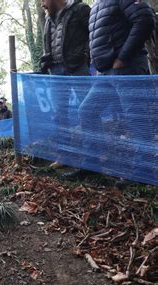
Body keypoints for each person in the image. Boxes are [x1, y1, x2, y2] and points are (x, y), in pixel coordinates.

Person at [64, 0, 155, 184]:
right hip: (105, 73)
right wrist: (98, 65)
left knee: (136, 119)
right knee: (87, 111)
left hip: (127, 68)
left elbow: (145, 19)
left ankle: (142, 172)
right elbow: (98, 38)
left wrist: (123, 58)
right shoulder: (97, 5)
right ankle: (92, 165)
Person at [40, 0, 91, 168]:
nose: (42, 4)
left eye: (43, 0)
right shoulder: (48, 20)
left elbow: (94, 34)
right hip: (56, 71)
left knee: (88, 111)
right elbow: (48, 45)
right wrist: (45, 60)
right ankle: (64, 155)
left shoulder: (81, 9)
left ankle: (93, 156)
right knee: (59, 113)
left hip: (78, 68)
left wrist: (85, 54)